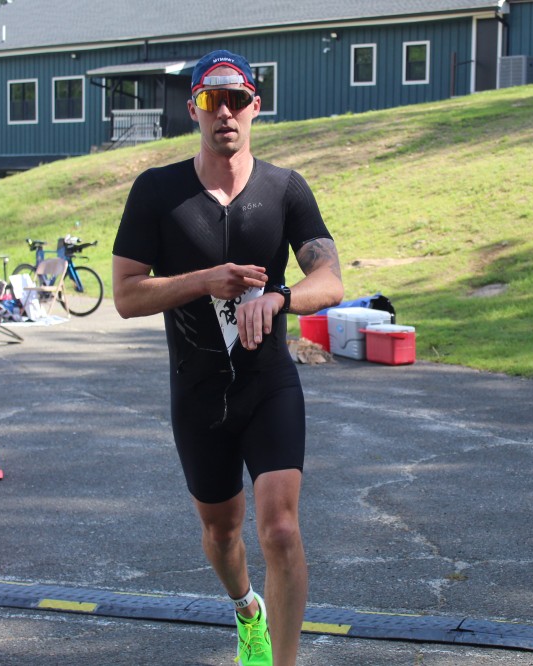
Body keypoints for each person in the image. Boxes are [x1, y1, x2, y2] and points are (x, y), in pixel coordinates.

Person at [112, 49, 343, 666]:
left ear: (254, 107)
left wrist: (280, 296)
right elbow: (126, 295)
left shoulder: (285, 188)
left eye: (236, 100)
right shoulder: (157, 191)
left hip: (268, 385)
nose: (225, 113)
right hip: (197, 393)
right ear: (194, 109)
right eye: (211, 100)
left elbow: (330, 280)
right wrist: (203, 281)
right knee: (221, 532)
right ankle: (246, 610)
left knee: (281, 529)